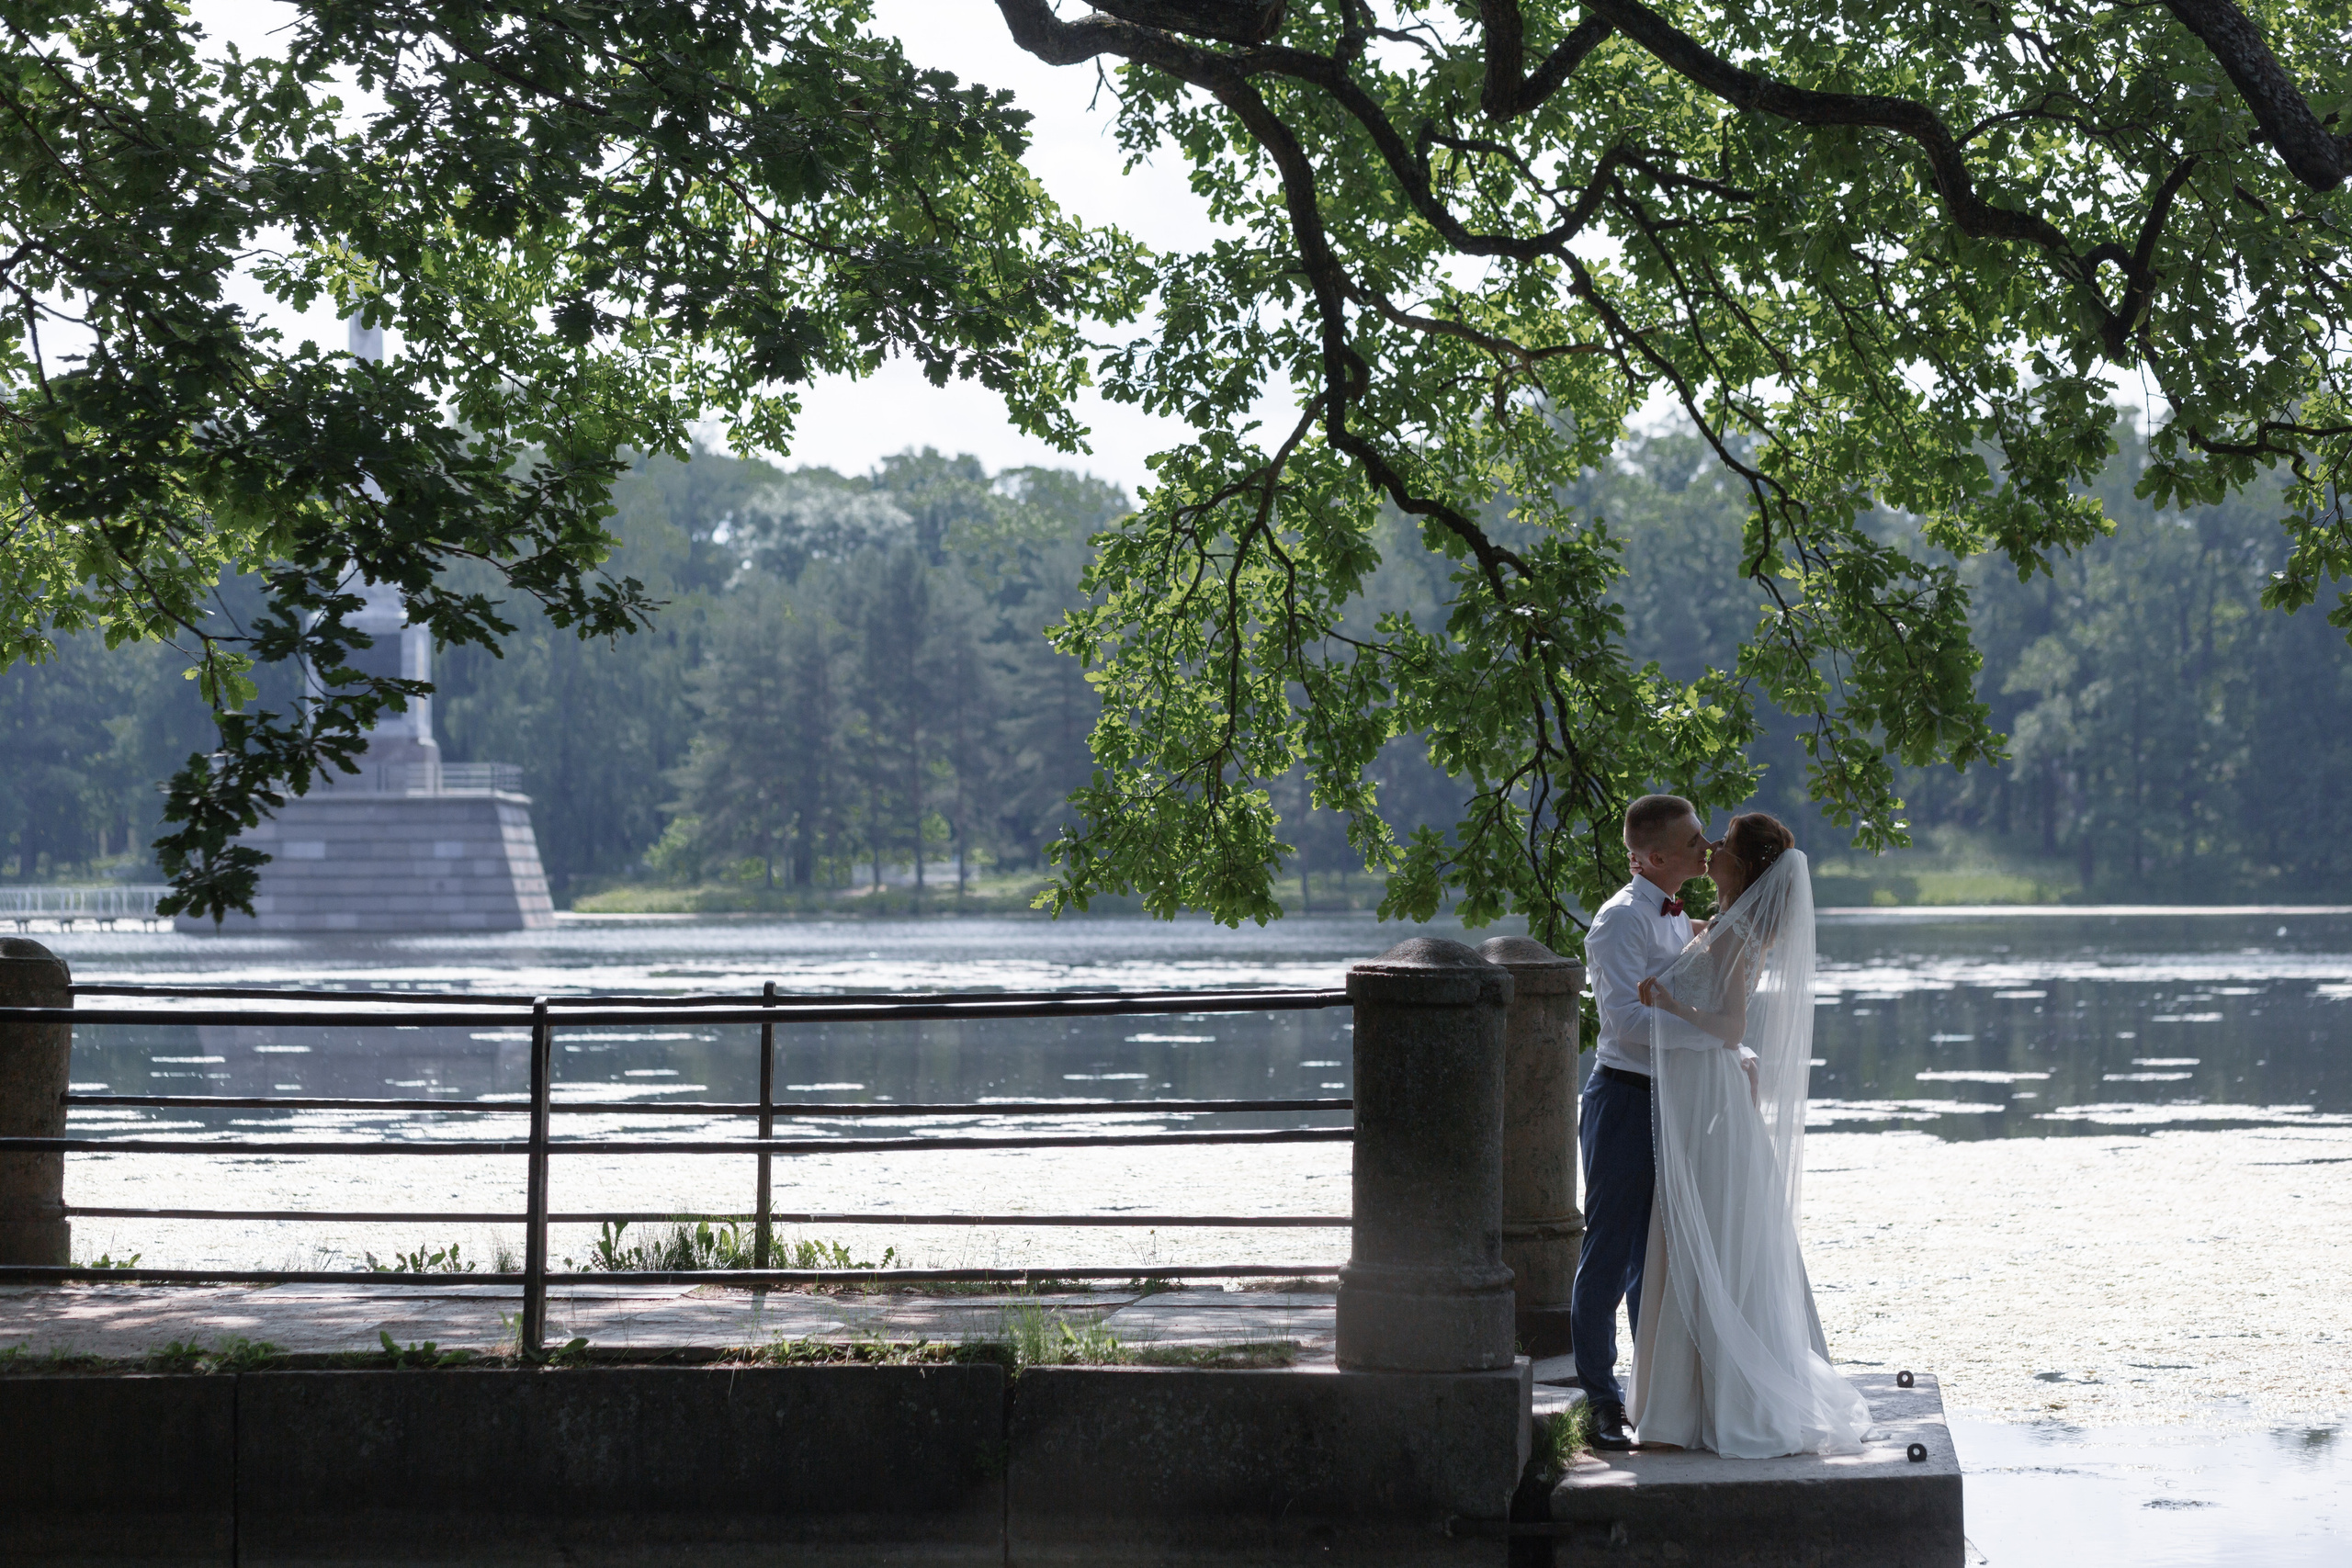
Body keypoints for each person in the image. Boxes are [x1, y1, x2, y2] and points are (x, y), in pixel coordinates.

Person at [1629, 812, 1871, 1458]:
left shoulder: (1735, 933)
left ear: (1744, 865)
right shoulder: (1728, 925)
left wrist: (1668, 1003)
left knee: (1710, 1226)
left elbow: (1732, 1026)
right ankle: (1686, 1399)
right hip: (1705, 1090)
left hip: (1710, 1090)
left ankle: (1707, 1404)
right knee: (1702, 1227)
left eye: (1723, 847)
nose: (1710, 850)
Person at [1571, 793, 1714, 1451]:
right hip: (1624, 1099)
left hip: (1671, 1102)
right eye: (1691, 840)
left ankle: (1650, 1395)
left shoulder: (1676, 917)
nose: (1703, 847)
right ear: (1654, 857)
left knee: (1653, 1259)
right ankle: (1600, 1400)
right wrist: (1710, 1037)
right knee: (1607, 1255)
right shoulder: (1618, 922)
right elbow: (1626, 1024)